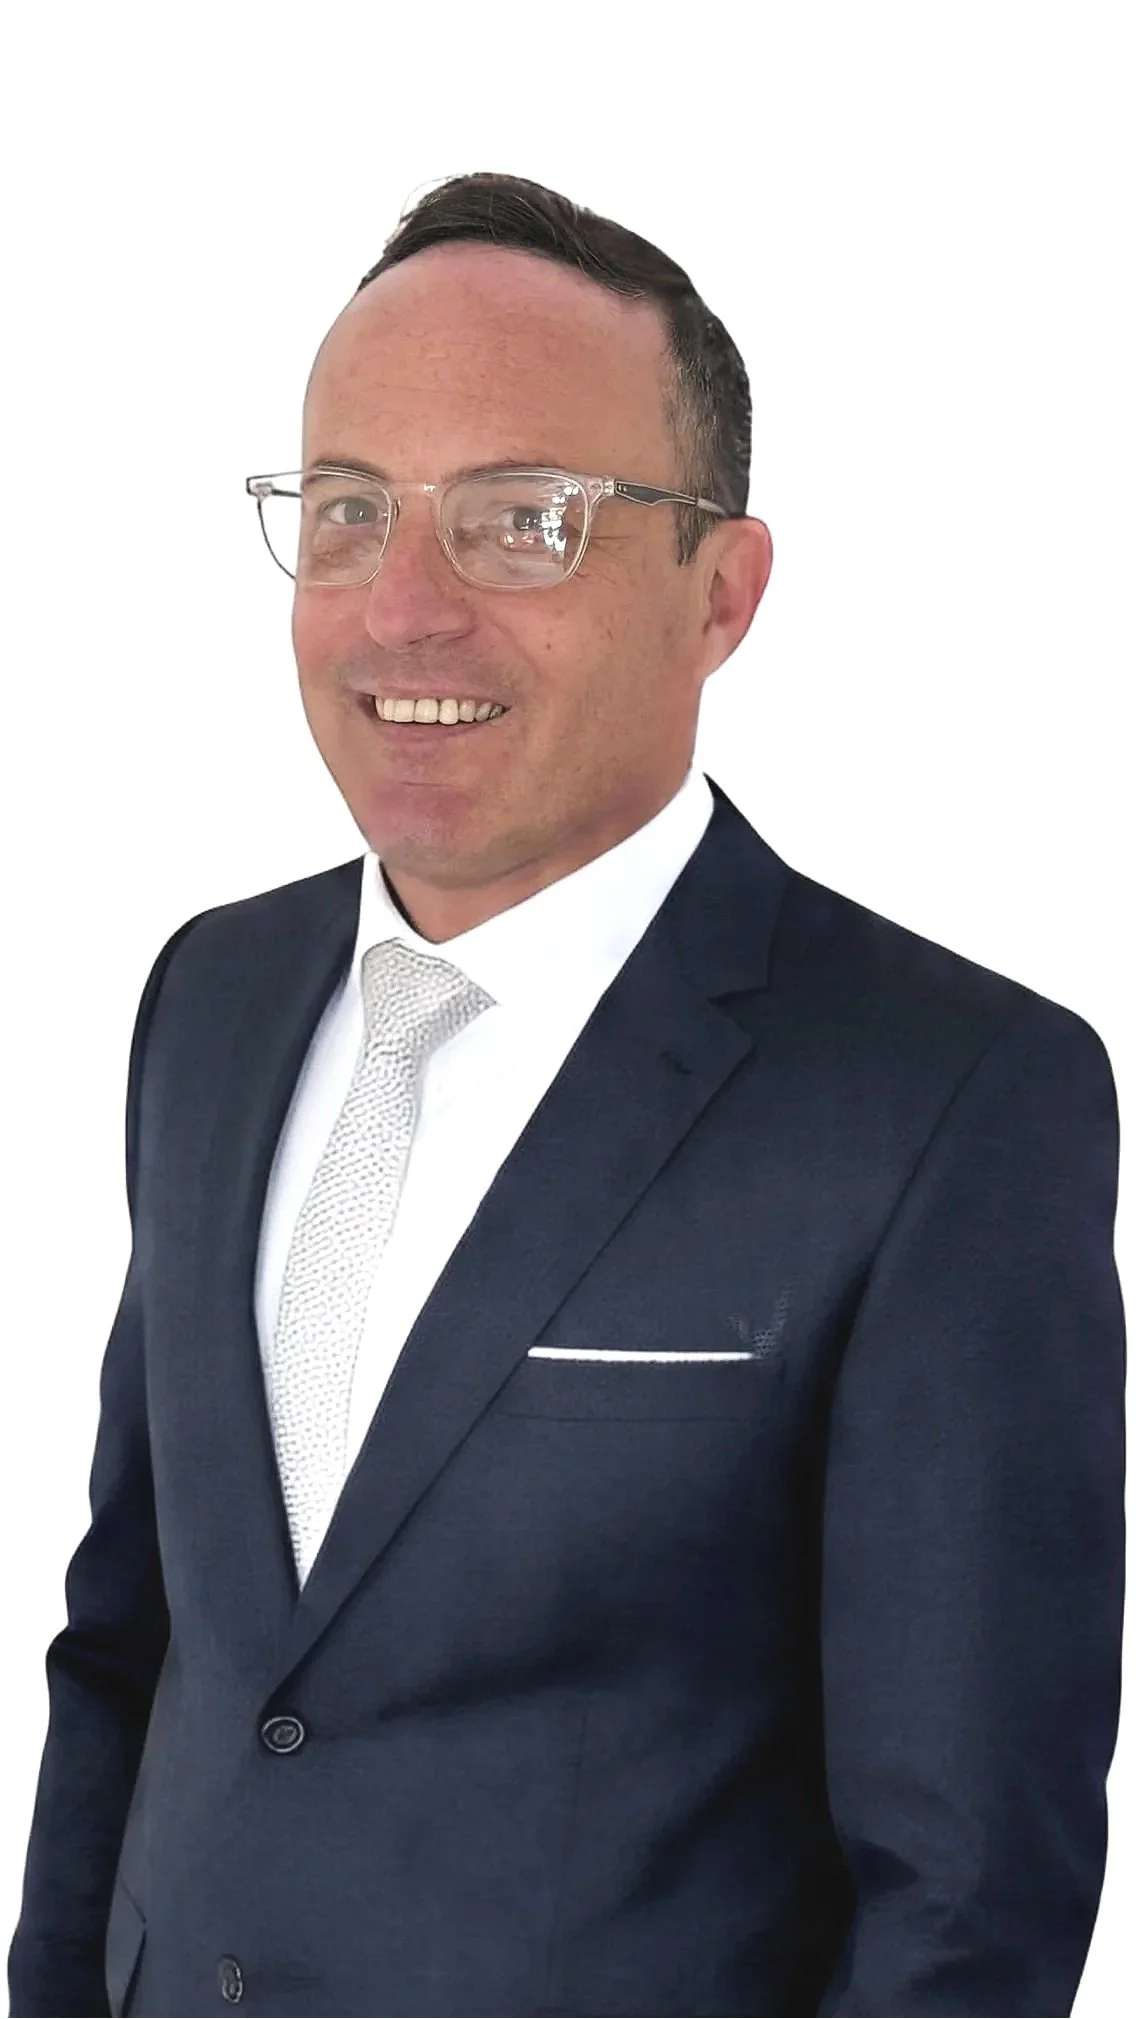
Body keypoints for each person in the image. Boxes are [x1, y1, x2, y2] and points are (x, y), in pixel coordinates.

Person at [7, 171, 1125, 2019]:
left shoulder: (947, 1101)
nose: (405, 608)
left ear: (723, 589)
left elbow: (967, 1896)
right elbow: (133, 1650)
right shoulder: (210, 999)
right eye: (350, 511)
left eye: (525, 520)